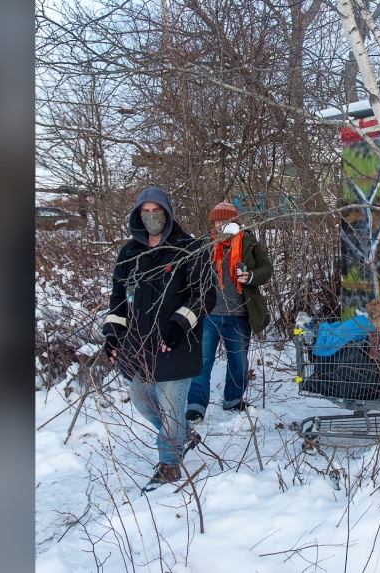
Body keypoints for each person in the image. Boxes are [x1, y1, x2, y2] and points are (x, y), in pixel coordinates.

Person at [101, 186, 213, 492]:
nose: (151, 217)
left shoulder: (187, 248)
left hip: (176, 345)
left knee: (172, 407)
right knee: (142, 400)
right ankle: (182, 436)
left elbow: (205, 295)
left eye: (157, 211)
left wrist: (178, 325)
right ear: (138, 215)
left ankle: (169, 464)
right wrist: (112, 335)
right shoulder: (129, 253)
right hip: (138, 347)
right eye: (145, 211)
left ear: (168, 213)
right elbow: (117, 298)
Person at [186, 201, 273, 422]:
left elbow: (266, 268)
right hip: (209, 314)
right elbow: (188, 274)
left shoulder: (249, 243)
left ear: (235, 222)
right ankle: (196, 405)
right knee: (202, 361)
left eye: (224, 221)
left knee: (239, 362)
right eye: (216, 221)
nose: (219, 225)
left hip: (240, 314)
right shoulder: (204, 244)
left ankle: (233, 400)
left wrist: (251, 276)